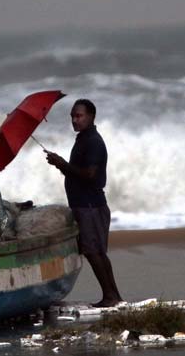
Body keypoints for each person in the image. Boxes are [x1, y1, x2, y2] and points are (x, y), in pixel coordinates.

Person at [45, 99, 123, 307]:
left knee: (92, 251)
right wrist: (59, 164)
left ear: (91, 116)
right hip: (84, 204)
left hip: (91, 206)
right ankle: (113, 295)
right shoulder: (82, 140)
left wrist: (63, 164)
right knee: (97, 251)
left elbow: (90, 175)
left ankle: (110, 296)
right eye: (72, 116)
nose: (74, 120)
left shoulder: (93, 142)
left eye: (79, 116)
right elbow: (77, 173)